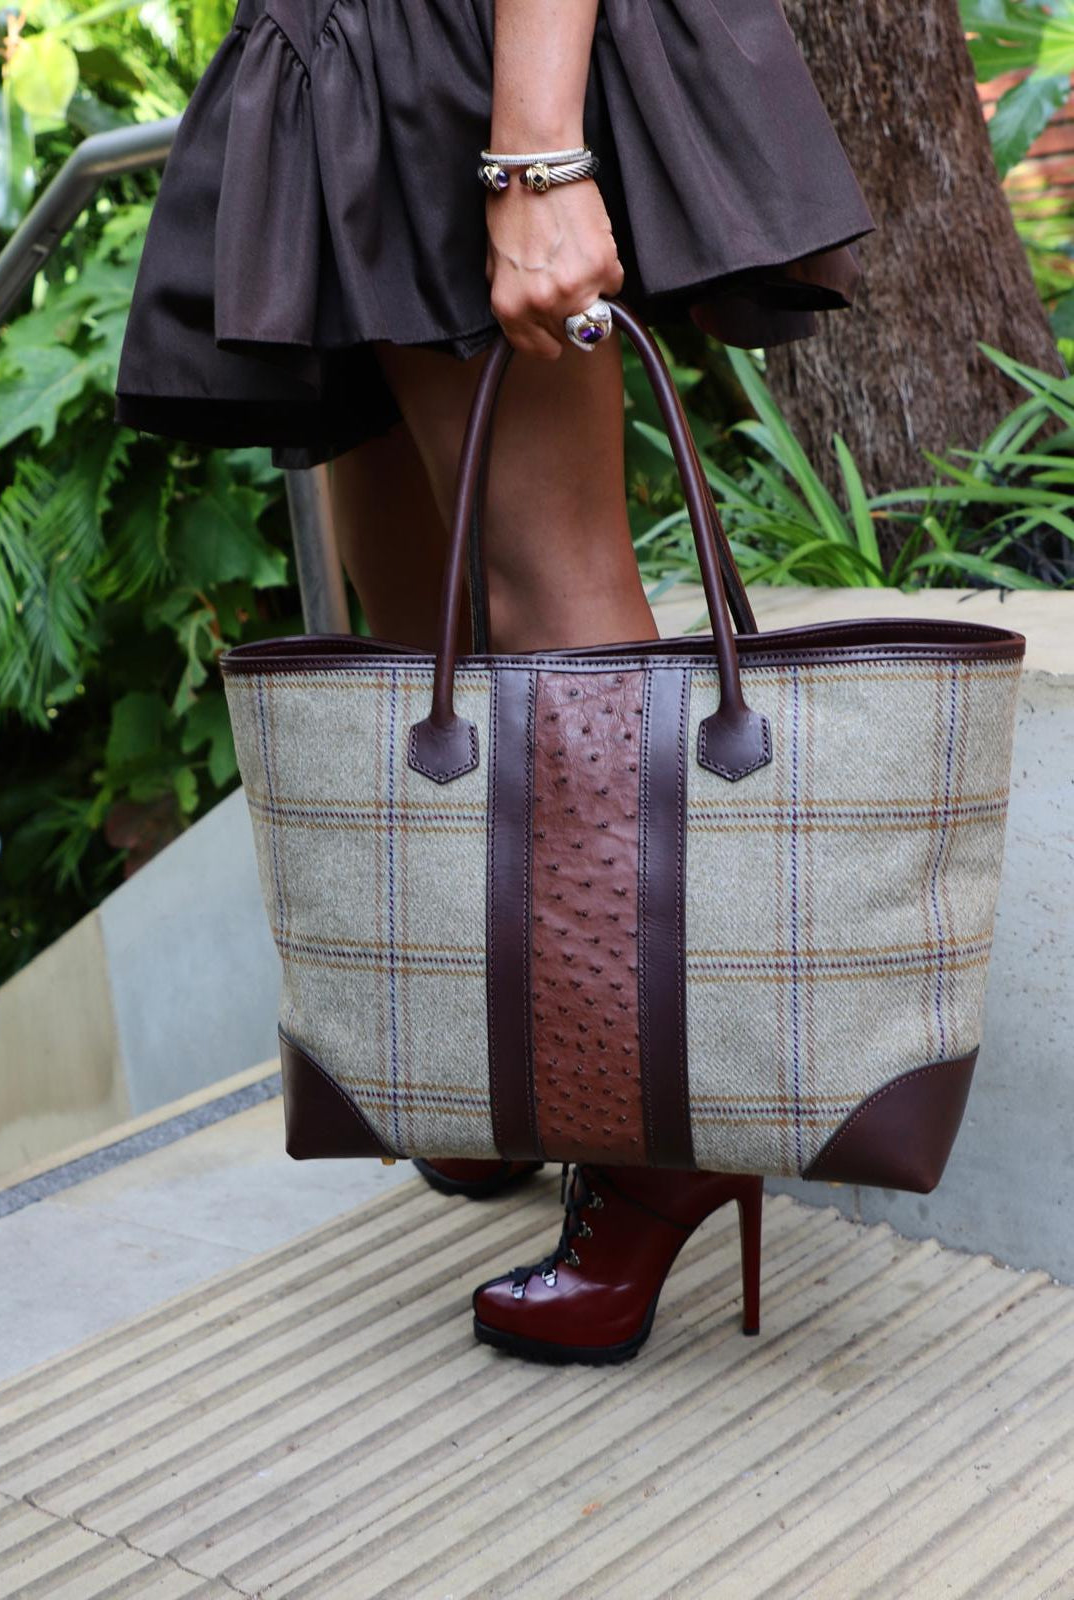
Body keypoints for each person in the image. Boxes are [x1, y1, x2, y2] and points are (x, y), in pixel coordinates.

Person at [115, 0, 875, 1364]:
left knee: (547, 591)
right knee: (424, 645)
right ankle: (508, 1065)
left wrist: (533, 153)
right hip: (338, 72)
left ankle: (658, 1143)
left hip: (453, 61)